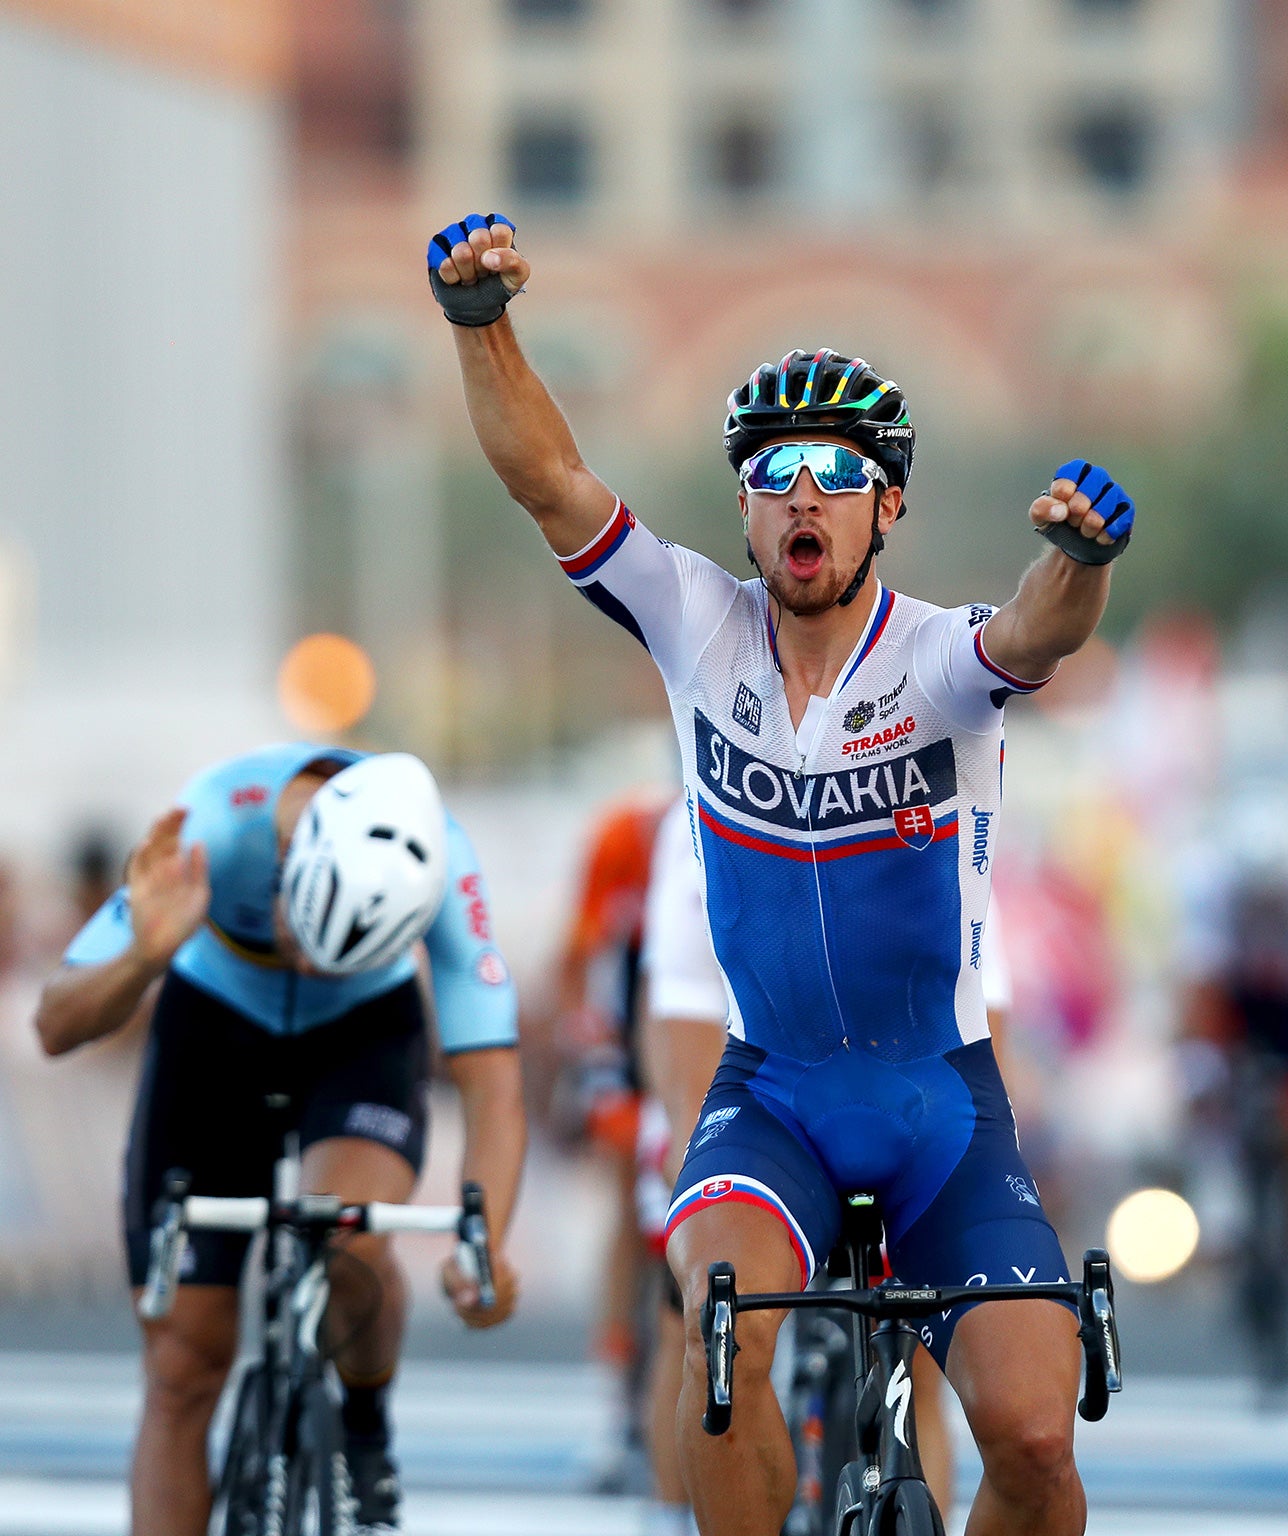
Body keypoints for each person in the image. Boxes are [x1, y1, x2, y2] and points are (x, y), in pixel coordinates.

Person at [429, 210, 1132, 1536]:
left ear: (890, 500)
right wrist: (484, 326)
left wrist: (1079, 558)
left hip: (942, 1107)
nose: (804, 491)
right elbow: (551, 482)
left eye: (839, 468)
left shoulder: (939, 658)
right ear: (746, 501)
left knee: (1037, 1440)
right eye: (776, 469)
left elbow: (1045, 627)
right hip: (777, 1098)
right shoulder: (696, 623)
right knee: (720, 1334)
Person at [32, 747, 526, 1536]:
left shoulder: (444, 861)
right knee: (181, 1370)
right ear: (288, 862)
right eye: (304, 939)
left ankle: (364, 1425)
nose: (310, 965)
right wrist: (142, 959)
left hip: (364, 1039)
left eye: (344, 956)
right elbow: (56, 1025)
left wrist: (486, 1247)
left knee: (351, 1240)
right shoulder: (211, 829)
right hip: (215, 1029)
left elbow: (493, 1085)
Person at [633, 796, 1020, 1530]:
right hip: (745, 1095)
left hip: (899, 1101)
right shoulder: (701, 828)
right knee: (701, 1317)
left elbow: (984, 1015)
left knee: (922, 1356)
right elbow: (678, 1014)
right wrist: (693, 1162)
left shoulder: (935, 811)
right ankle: (671, 1511)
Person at [1177, 798, 1288, 1397]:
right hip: (1235, 996)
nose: (1264, 909)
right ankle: (1221, 1189)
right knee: (1200, 1088)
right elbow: (1198, 990)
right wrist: (1201, 1073)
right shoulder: (1208, 884)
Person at [555, 786, 678, 1491]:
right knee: (630, 1208)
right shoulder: (624, 837)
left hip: (731, 1035)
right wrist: (589, 1053)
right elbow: (579, 957)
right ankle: (611, 1403)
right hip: (639, 1051)